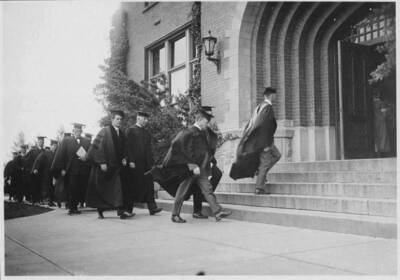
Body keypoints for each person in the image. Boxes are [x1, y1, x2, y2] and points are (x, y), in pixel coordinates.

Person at [150, 107, 232, 223]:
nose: (207, 124)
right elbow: (180, 148)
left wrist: (208, 162)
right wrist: (193, 167)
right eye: (206, 121)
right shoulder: (188, 132)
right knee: (182, 191)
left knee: (207, 189)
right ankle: (175, 215)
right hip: (190, 169)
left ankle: (218, 212)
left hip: (201, 169)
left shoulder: (201, 133)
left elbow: (203, 151)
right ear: (199, 119)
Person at [230, 86, 281, 194]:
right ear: (271, 95)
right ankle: (259, 187)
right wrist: (265, 145)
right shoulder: (267, 108)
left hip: (262, 140)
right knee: (265, 163)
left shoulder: (259, 107)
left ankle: (259, 172)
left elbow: (251, 124)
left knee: (277, 155)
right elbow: (264, 127)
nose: (276, 97)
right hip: (264, 141)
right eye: (275, 95)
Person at [86, 110, 133, 219]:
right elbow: (97, 148)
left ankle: (121, 211)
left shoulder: (121, 133)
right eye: (117, 119)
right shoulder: (105, 131)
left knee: (118, 189)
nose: (119, 121)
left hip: (117, 167)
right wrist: (102, 162)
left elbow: (125, 149)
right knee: (104, 190)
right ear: (112, 119)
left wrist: (125, 158)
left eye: (121, 119)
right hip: (106, 167)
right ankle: (100, 211)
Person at [124, 111, 162, 216]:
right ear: (138, 118)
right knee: (132, 186)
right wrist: (130, 160)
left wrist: (151, 162)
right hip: (135, 164)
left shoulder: (146, 132)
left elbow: (149, 149)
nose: (147, 121)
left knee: (149, 185)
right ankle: (128, 210)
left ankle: (152, 208)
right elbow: (127, 147)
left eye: (147, 119)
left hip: (146, 164)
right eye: (145, 119)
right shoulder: (130, 130)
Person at [51, 123, 91, 215]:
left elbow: (90, 153)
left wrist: (86, 157)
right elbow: (61, 155)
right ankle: (72, 208)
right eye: (76, 130)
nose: (77, 132)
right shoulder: (66, 141)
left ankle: (74, 207)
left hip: (82, 170)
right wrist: (62, 168)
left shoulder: (86, 141)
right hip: (70, 170)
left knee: (79, 188)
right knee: (71, 188)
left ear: (81, 131)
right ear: (73, 131)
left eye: (79, 130)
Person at [32, 140, 58, 206]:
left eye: (56, 146)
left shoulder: (56, 154)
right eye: (53, 146)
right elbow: (38, 160)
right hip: (46, 173)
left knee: (52, 187)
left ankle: (51, 201)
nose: (54, 147)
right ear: (51, 146)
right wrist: (36, 168)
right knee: (46, 187)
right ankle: (45, 200)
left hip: (53, 174)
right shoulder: (46, 153)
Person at [25, 136, 46, 204]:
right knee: (34, 186)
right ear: (37, 142)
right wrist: (33, 169)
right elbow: (27, 161)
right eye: (40, 141)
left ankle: (40, 200)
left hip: (42, 172)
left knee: (41, 186)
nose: (41, 143)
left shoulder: (45, 151)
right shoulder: (32, 151)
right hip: (34, 172)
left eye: (42, 142)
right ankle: (34, 200)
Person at [373, 89, 391, 157]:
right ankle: (382, 151)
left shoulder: (371, 103)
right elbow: (384, 114)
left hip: (375, 121)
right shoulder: (381, 102)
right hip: (381, 122)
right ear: (378, 94)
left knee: (377, 136)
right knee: (382, 136)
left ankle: (377, 151)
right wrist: (387, 110)